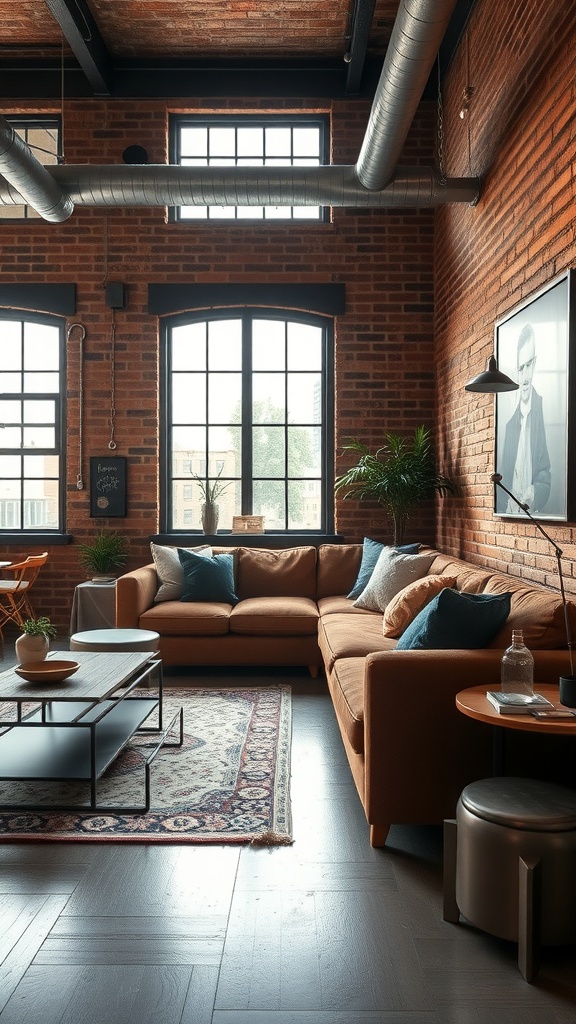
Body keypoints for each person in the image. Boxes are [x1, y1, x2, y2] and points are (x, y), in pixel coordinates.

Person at [498, 323, 551, 513]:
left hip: (532, 511)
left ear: (535, 364)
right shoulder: (510, 424)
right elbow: (503, 477)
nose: (525, 376)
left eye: (529, 365)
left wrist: (534, 494)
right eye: (521, 368)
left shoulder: (544, 410)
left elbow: (546, 474)